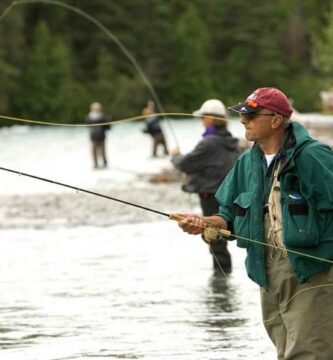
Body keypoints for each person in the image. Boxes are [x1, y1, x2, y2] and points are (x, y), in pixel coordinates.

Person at [174, 87, 333, 359]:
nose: (243, 120)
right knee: (285, 352)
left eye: (250, 114)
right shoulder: (246, 162)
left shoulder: (314, 156)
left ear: (275, 120)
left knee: (311, 353)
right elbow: (227, 216)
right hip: (267, 274)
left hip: (313, 272)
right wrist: (203, 224)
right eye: (242, 114)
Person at [171, 99, 239, 272]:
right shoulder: (229, 140)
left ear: (210, 118)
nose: (201, 121)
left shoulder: (209, 142)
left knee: (214, 239)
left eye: (202, 118)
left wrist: (175, 156)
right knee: (221, 238)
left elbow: (185, 164)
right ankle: (224, 283)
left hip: (210, 195)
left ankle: (220, 280)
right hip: (228, 195)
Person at [86, 102, 111, 169]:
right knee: (94, 152)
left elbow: (108, 127)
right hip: (94, 137)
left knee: (103, 151)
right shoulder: (89, 117)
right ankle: (95, 164)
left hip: (102, 136)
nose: (97, 110)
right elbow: (87, 125)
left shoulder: (103, 117)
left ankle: (105, 164)